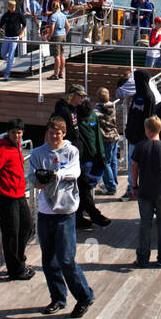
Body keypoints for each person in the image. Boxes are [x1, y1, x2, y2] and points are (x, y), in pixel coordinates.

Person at [29, 117, 95, 317]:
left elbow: (73, 172)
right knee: (48, 260)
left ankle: (84, 296)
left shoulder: (71, 151)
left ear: (64, 134)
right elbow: (32, 176)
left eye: (58, 133)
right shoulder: (37, 153)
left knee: (66, 259)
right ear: (47, 133)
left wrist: (53, 175)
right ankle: (58, 297)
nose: (54, 136)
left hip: (65, 212)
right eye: (51, 133)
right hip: (45, 212)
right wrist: (38, 181)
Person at [0, 118, 34, 281]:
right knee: (12, 233)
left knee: (27, 227)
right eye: (13, 133)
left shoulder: (17, 146)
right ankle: (15, 270)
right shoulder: (3, 149)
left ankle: (19, 260)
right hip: (6, 196)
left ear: (23, 133)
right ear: (8, 133)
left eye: (19, 133)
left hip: (19, 194)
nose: (17, 136)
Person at [53, 86, 111, 228]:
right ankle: (93, 215)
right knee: (82, 185)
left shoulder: (74, 110)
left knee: (79, 186)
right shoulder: (63, 111)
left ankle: (79, 218)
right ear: (73, 96)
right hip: (68, 156)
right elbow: (56, 130)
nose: (83, 99)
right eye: (81, 96)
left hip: (77, 154)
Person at [130, 116, 161, 267]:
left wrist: (134, 186)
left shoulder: (140, 147)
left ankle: (143, 258)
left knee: (145, 224)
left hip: (145, 191)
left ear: (147, 129)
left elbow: (134, 168)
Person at [121, 67, 161, 199]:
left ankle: (140, 188)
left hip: (142, 138)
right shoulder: (137, 95)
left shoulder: (148, 97)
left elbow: (149, 117)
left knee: (140, 165)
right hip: (133, 137)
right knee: (132, 165)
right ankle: (132, 187)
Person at [94, 88, 120, 195]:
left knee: (105, 163)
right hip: (114, 136)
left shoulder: (97, 109)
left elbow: (94, 119)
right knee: (113, 161)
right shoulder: (112, 106)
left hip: (105, 138)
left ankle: (111, 186)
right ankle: (114, 182)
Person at [0, 0, 26, 81]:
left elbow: (24, 24)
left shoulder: (19, 14)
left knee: (11, 54)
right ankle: (10, 61)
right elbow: (0, 25)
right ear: (9, 6)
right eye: (11, 6)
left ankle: (7, 74)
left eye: (14, 6)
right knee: (3, 53)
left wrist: (21, 34)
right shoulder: (6, 15)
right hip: (7, 37)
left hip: (14, 37)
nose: (12, 8)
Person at [49, 0, 69, 81]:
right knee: (62, 54)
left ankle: (55, 74)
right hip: (63, 35)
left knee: (56, 56)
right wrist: (65, 33)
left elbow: (52, 28)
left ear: (53, 8)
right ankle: (61, 72)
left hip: (56, 36)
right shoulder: (63, 15)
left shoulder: (53, 16)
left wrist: (49, 36)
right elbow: (68, 26)